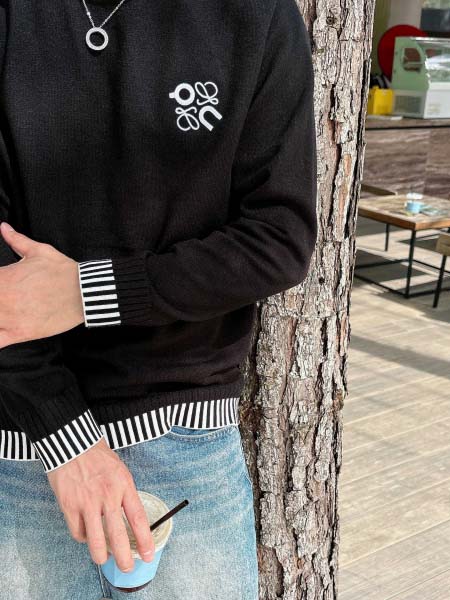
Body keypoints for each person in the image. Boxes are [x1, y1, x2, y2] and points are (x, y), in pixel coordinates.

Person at [0, 0, 317, 598]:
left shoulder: (255, 15)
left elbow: (280, 236)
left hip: (187, 434)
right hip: (21, 440)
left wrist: (88, 292)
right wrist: (67, 441)